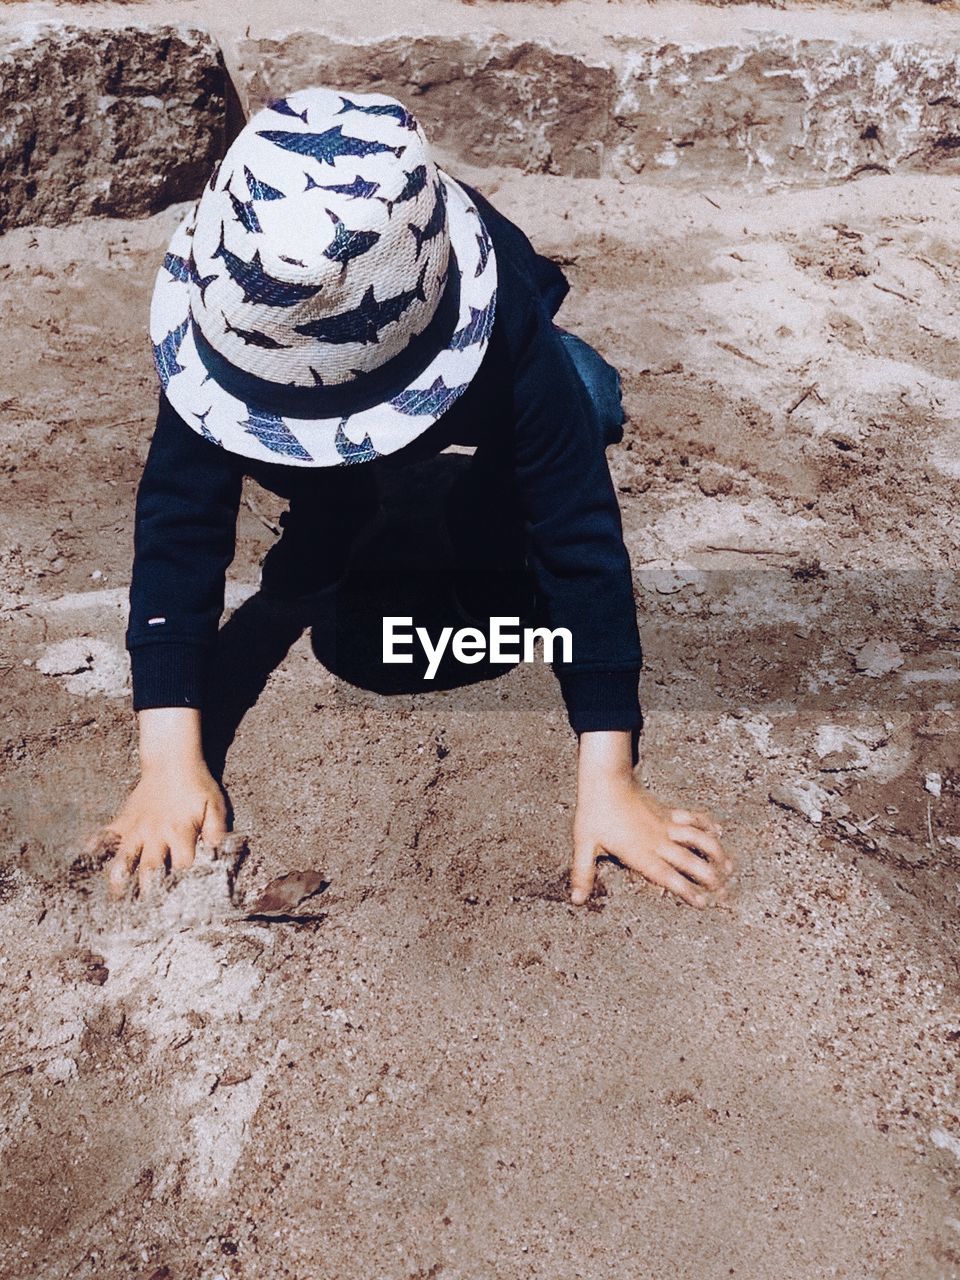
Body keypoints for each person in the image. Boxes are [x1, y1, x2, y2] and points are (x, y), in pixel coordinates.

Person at [91, 86, 733, 908]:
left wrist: (611, 776)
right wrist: (169, 759)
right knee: (296, 465)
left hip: (473, 374)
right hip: (346, 378)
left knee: (589, 392)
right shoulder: (232, 309)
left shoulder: (497, 323)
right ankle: (337, 497)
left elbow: (582, 534)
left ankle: (475, 504)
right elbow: (179, 523)